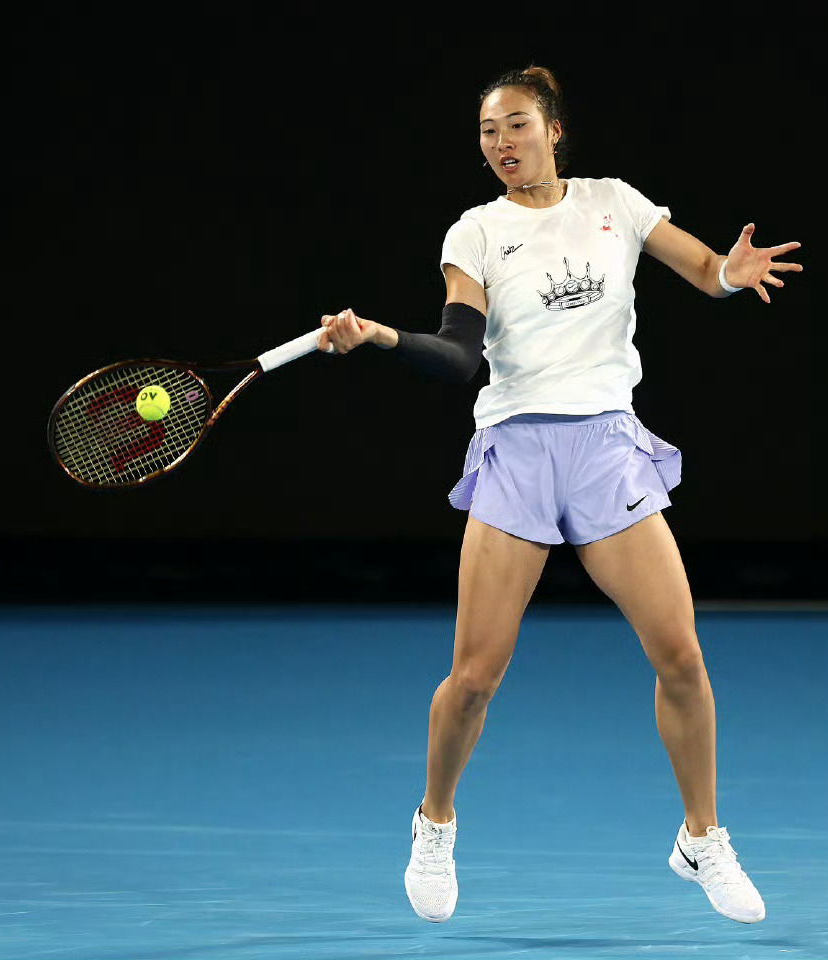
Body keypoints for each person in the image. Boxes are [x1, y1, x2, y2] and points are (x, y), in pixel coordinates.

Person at [316, 65, 803, 925]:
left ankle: (703, 839)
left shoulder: (614, 201)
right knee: (473, 677)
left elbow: (700, 270)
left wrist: (729, 272)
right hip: (518, 448)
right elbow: (461, 353)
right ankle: (435, 823)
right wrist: (383, 336)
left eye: (516, 126)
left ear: (553, 130)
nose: (501, 144)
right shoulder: (475, 231)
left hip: (607, 445)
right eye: (487, 133)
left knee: (682, 658)